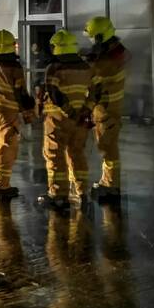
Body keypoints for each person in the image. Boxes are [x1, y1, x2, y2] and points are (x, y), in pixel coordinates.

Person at [38, 29, 101, 209]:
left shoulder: (54, 68)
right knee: (77, 154)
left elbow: (54, 93)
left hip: (57, 120)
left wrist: (69, 112)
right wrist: (86, 110)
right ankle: (81, 192)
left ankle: (58, 194)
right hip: (80, 120)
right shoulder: (87, 68)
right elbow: (97, 90)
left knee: (55, 156)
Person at [0, 29, 34, 199]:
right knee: (5, 148)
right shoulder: (14, 67)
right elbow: (20, 93)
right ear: (12, 46)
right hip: (7, 113)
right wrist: (28, 113)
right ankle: (0, 186)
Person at [84, 16, 130, 202]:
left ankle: (110, 186)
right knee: (108, 148)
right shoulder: (115, 54)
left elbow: (94, 87)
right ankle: (108, 182)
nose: (90, 40)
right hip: (110, 110)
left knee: (107, 149)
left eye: (92, 37)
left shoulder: (104, 62)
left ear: (99, 37)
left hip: (105, 112)